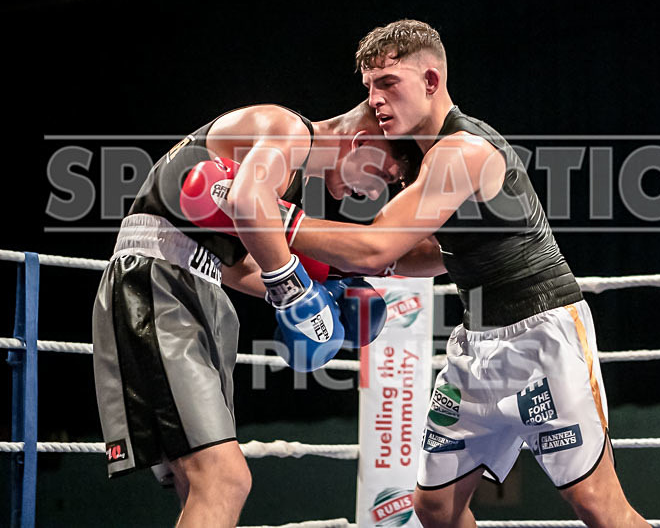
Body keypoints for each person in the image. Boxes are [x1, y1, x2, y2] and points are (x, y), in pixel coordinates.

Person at [282, 20, 650, 528]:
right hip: (477, 344)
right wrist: (343, 260)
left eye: (388, 84)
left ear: (431, 81)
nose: (376, 101)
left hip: (542, 336)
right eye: (369, 87)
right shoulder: (424, 158)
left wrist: (269, 216)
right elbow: (436, 253)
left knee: (597, 504)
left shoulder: (463, 151)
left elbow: (376, 245)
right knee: (435, 507)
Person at [92, 102, 426, 528]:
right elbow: (245, 199)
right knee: (224, 480)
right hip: (157, 285)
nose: (376, 194)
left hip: (195, 289)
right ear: (363, 143)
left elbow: (235, 265)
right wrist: (294, 288)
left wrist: (318, 292)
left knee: (201, 484)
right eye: (385, 177)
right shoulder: (286, 128)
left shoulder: (291, 178)